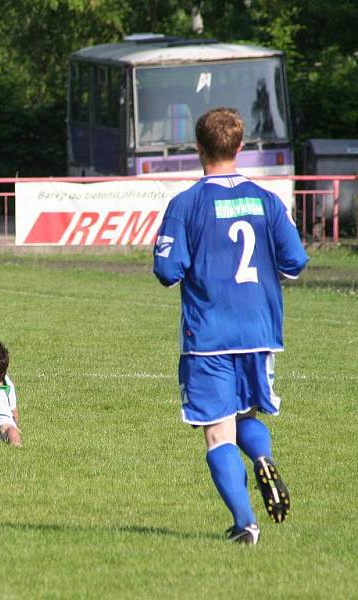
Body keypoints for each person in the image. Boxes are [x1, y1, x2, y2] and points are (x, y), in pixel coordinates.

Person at [153, 107, 309, 545]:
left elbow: (168, 271)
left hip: (209, 334)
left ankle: (246, 523)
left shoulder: (186, 204)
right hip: (260, 330)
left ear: (198, 148)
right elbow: (295, 262)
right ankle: (262, 456)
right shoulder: (266, 199)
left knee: (218, 432)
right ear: (240, 148)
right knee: (246, 416)